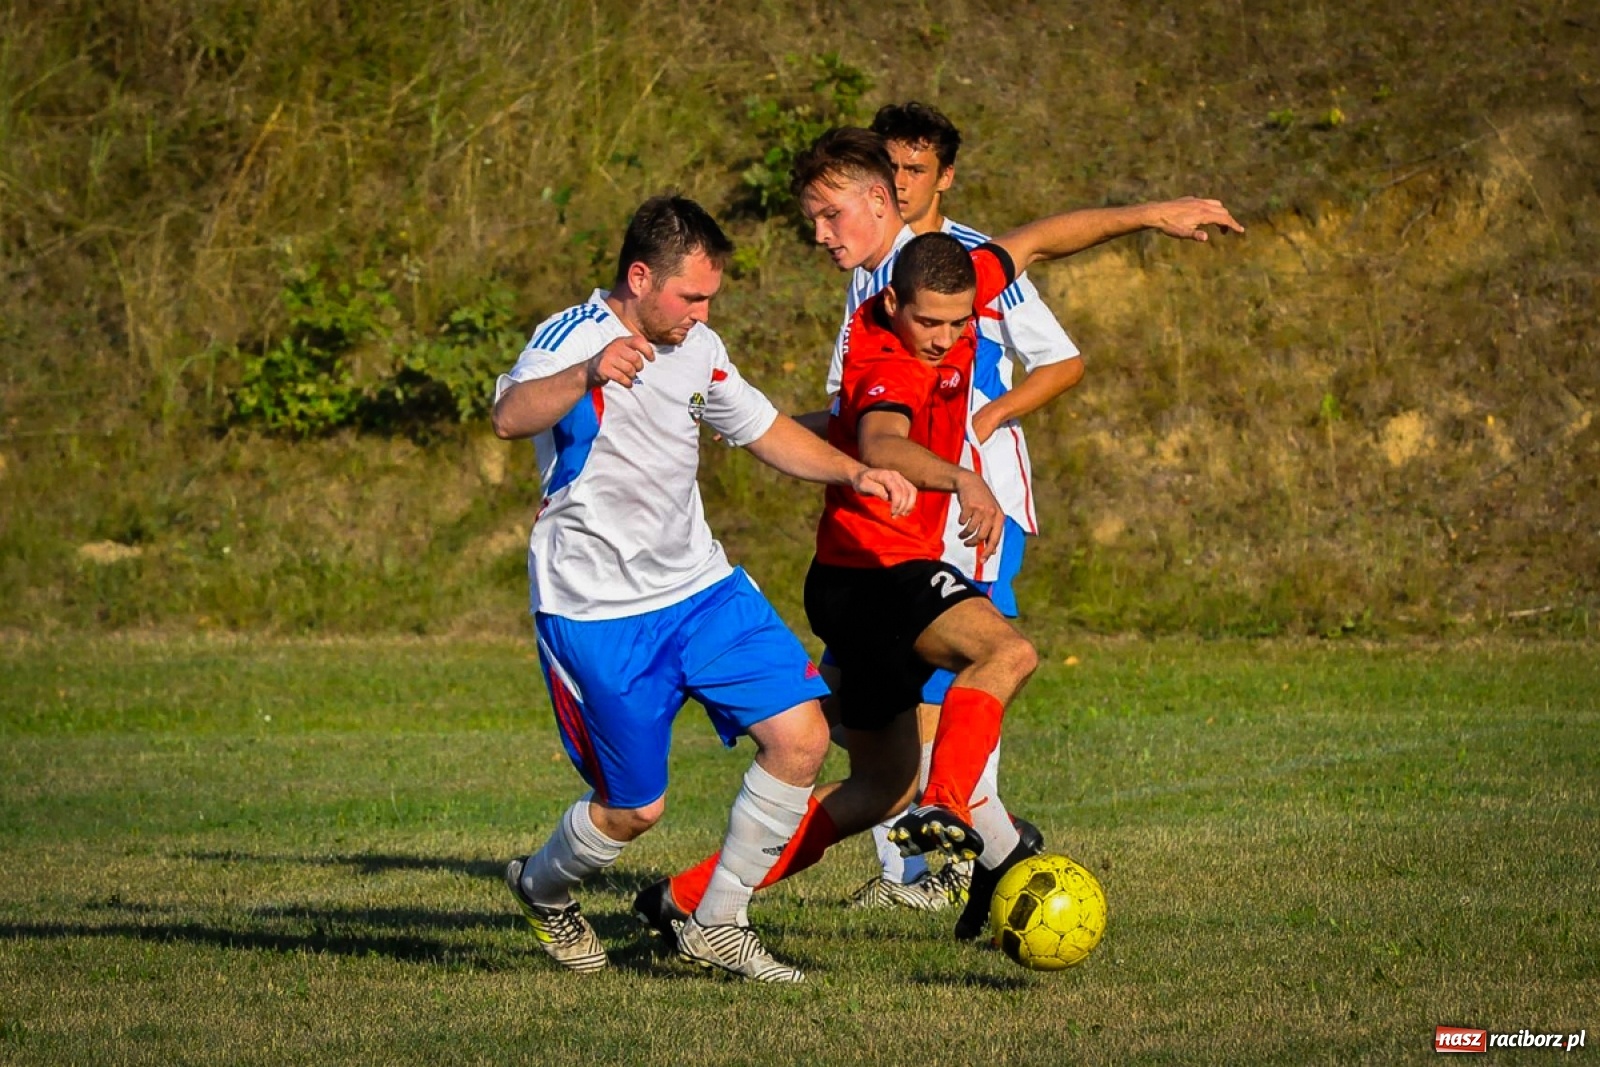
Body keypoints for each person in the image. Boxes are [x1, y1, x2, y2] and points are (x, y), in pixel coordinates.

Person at [634, 131, 1243, 943]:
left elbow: (1039, 240)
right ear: (898, 307)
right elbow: (881, 439)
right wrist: (961, 476)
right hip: (879, 569)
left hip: (868, 568)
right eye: (931, 323)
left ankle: (689, 898)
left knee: (878, 785)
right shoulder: (885, 337)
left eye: (829, 213)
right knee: (1006, 654)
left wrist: (1153, 214)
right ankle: (961, 817)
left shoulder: (941, 278)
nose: (948, 337)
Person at [491, 194, 915, 983]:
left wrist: (854, 471)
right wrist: (586, 373)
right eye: (690, 296)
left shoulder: (698, 346)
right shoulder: (571, 336)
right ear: (640, 278)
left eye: (710, 297)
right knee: (633, 809)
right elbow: (510, 415)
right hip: (598, 611)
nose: (702, 313)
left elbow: (762, 428)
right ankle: (542, 886)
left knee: (801, 738)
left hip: (703, 588)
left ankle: (716, 920)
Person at [839, 101, 1087, 912]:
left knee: (965, 668)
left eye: (915, 169)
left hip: (974, 504)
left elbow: (1062, 361)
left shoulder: (975, 262)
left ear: (944, 177)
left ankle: (949, 854)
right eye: (889, 168)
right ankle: (959, 846)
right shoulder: (869, 266)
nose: (900, 183)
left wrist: (986, 420)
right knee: (876, 682)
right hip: (902, 498)